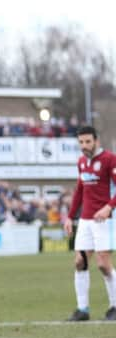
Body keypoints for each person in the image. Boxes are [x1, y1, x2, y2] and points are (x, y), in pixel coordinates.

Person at [63, 126, 116, 321]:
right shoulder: (81, 162)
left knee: (103, 264)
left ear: (96, 141)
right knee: (80, 261)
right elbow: (79, 191)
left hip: (105, 219)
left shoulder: (110, 159)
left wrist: (109, 207)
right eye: (81, 142)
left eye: (87, 142)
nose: (84, 146)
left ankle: (114, 306)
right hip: (85, 219)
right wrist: (70, 216)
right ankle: (82, 309)